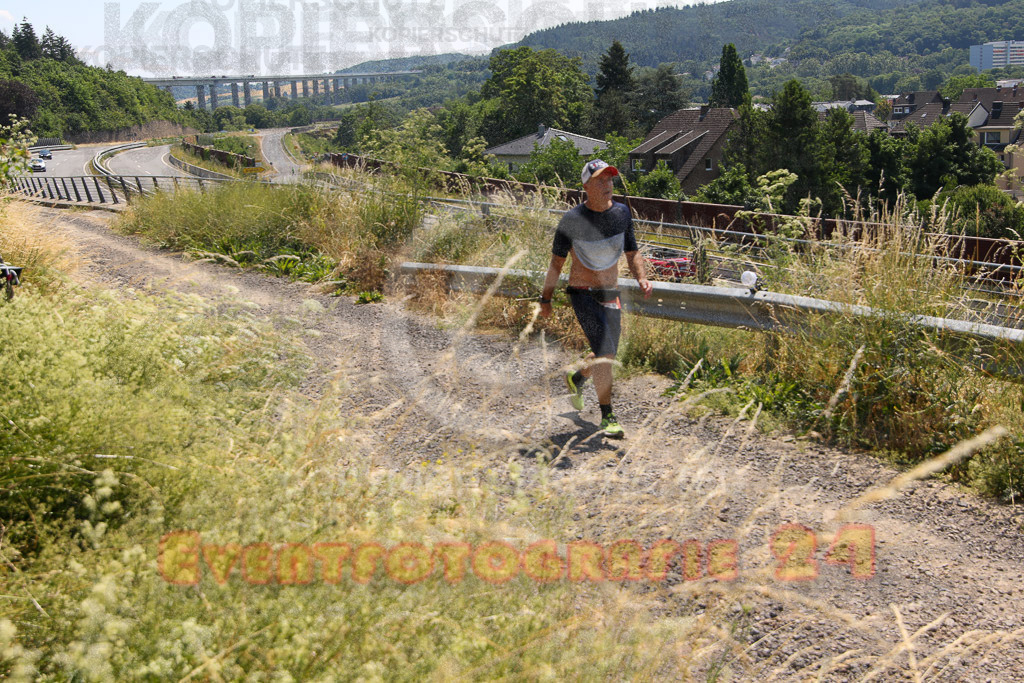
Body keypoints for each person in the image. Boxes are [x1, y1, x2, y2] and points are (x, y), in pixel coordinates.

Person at [538, 159, 652, 438]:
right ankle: (607, 416)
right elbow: (556, 265)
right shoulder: (572, 221)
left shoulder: (623, 214)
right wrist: (546, 299)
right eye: (600, 181)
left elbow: (632, 251)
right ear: (586, 186)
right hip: (582, 294)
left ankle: (576, 377)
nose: (607, 185)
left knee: (605, 352)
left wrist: (641, 277)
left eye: (610, 179)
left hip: (610, 292)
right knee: (607, 354)